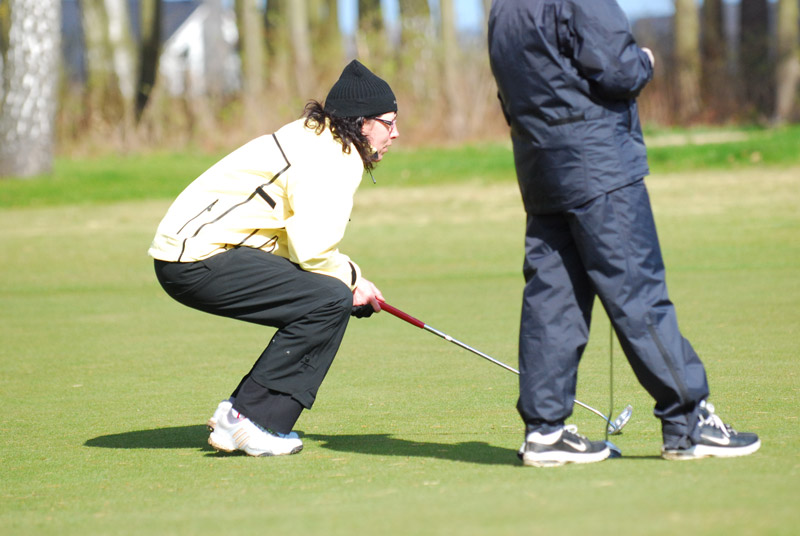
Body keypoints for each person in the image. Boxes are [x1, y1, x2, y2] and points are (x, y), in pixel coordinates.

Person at [488, 0, 760, 467]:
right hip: (598, 166)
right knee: (637, 289)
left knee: (553, 299)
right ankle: (688, 421)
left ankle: (545, 431)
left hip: (541, 168)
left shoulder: (502, 9)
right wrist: (646, 62)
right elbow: (617, 70)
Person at [148, 60, 398, 457]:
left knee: (329, 294)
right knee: (328, 299)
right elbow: (312, 249)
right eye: (390, 122)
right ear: (363, 122)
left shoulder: (316, 138)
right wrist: (351, 279)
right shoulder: (334, 156)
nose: (396, 133)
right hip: (195, 260)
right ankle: (249, 419)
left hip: (195, 253)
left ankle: (244, 417)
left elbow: (294, 239)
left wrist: (349, 278)